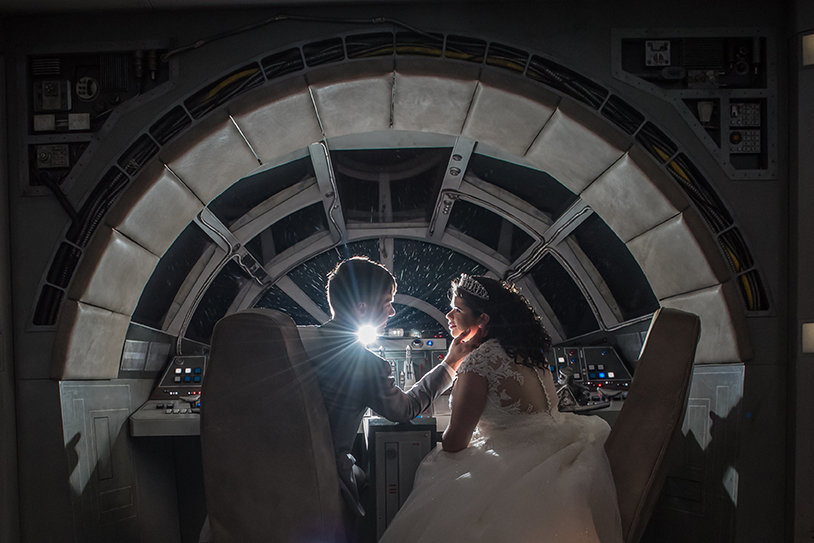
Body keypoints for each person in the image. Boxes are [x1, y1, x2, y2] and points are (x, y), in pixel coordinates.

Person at [379, 274, 623, 543]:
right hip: (557, 453)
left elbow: (454, 442)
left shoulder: (479, 362)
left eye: (458, 309)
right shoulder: (530, 353)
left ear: (482, 319)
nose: (449, 314)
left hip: (512, 468)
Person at [298, 257, 478, 541]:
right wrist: (450, 365)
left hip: (276, 473)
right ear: (363, 308)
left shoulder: (296, 341)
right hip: (326, 480)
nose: (392, 311)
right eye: (387, 302)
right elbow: (403, 409)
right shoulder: (367, 363)